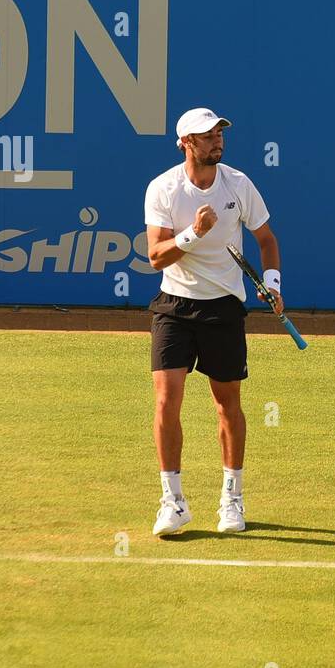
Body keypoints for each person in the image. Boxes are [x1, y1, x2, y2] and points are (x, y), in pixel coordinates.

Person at [143, 107, 284, 536]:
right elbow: (155, 257)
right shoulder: (163, 188)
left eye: (219, 133)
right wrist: (194, 234)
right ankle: (174, 502)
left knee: (228, 406)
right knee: (167, 402)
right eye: (206, 136)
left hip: (223, 308)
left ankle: (232, 499)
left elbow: (266, 239)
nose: (216, 141)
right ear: (186, 143)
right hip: (175, 306)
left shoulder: (238, 184)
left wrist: (273, 284)